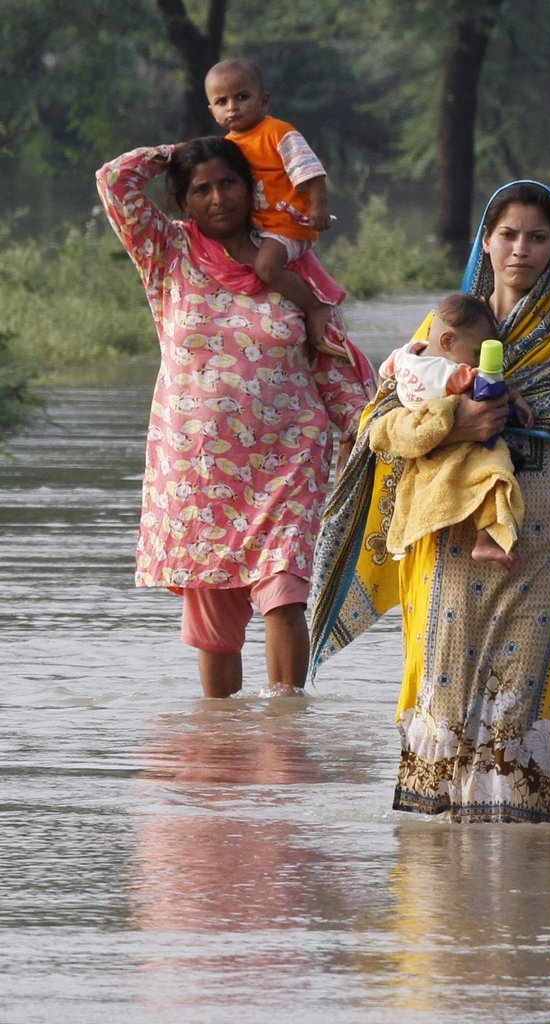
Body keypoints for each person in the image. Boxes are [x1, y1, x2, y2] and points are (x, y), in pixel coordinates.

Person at [308, 180, 550, 824]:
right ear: (486, 242)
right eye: (508, 235)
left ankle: (525, 892)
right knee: (445, 700)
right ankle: (441, 896)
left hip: (542, 548)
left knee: (524, 708)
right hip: (449, 541)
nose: (521, 249)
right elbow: (374, 427)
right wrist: (456, 424)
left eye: (537, 237)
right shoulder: (446, 325)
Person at [95, 137, 375, 699]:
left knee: (285, 595)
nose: (218, 197)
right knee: (215, 630)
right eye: (201, 189)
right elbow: (114, 180)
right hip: (199, 474)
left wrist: (372, 435)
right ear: (182, 201)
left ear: (252, 189)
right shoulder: (166, 255)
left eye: (230, 182)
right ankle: (220, 745)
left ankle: (285, 730)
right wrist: (187, 147)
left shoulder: (293, 264)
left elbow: (333, 366)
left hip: (289, 461)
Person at [376, 291, 533, 570]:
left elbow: (385, 375)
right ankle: (486, 539)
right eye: (476, 353)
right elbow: (488, 385)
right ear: (447, 341)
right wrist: (514, 397)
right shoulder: (452, 373)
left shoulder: (406, 354)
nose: (477, 362)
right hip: (446, 428)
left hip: (421, 435)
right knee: (495, 472)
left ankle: (403, 536)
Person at [205, 57, 333, 344]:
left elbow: (311, 171)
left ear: (263, 101)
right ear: (212, 110)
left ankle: (315, 306)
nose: (232, 107)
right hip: (258, 226)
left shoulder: (279, 133)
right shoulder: (228, 146)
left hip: (287, 224)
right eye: (222, 102)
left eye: (241, 97)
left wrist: (319, 206)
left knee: (266, 268)